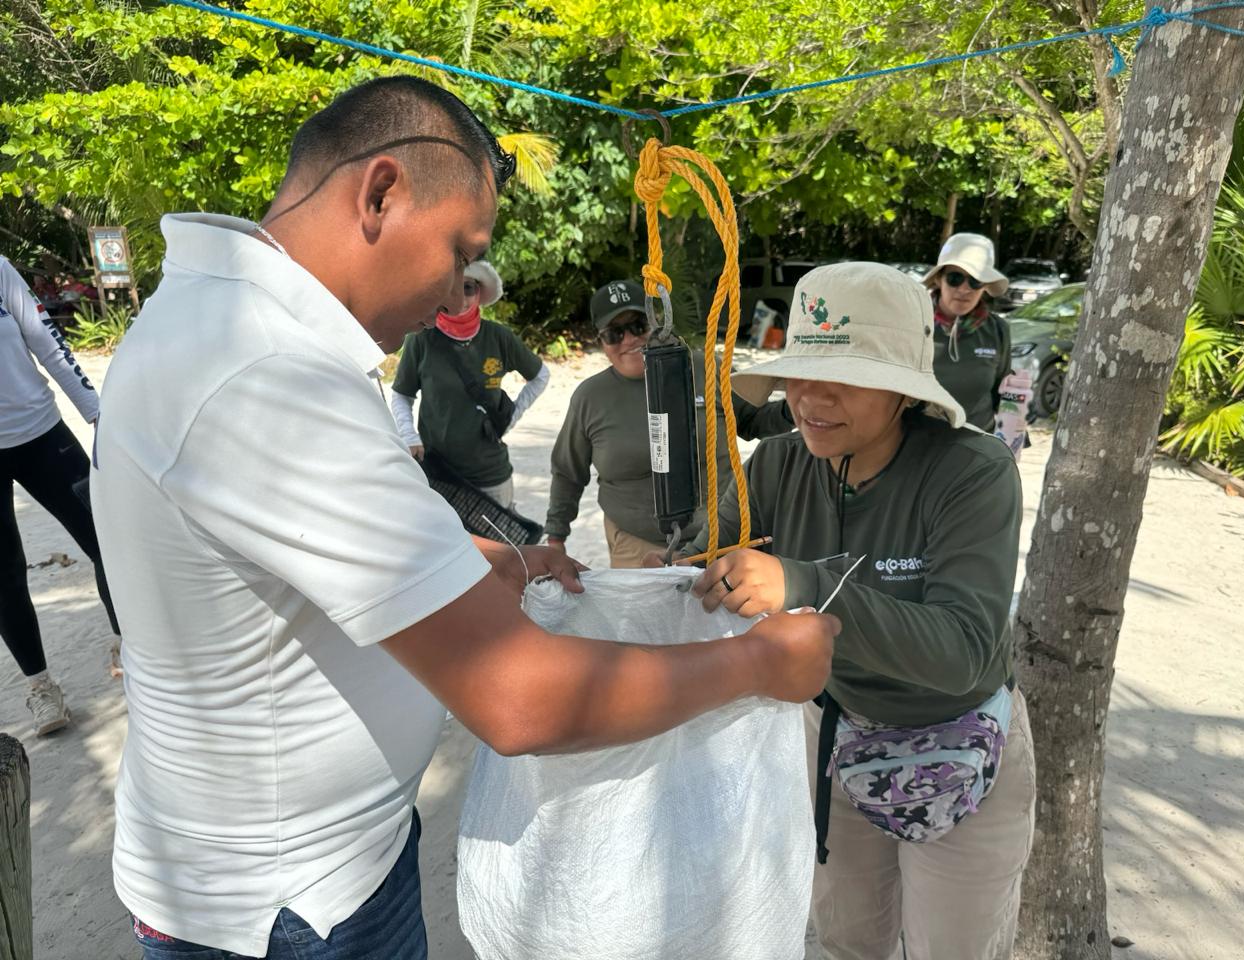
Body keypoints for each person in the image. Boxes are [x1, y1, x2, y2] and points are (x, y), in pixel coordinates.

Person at [92, 75, 837, 960]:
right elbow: (519, 698)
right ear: (380, 194)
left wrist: (485, 562)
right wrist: (758, 663)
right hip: (292, 907)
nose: (458, 289)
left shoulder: (218, 324)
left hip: (303, 866)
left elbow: (292, 563)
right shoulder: (265, 378)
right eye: (460, 251)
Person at [681, 263, 1035, 960]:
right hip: (836, 738)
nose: (811, 398)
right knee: (846, 940)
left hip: (962, 741)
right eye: (800, 374)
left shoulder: (973, 472)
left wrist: (805, 583)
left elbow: (964, 649)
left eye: (845, 376)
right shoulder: (778, 465)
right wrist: (637, 582)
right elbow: (701, 560)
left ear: (904, 389)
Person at [545, 279, 794, 567]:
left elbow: (754, 420)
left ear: (656, 323)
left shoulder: (705, 368)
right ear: (601, 342)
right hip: (638, 545)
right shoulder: (590, 397)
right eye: (614, 333)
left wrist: (796, 406)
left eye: (638, 325)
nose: (629, 339)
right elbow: (568, 472)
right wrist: (556, 538)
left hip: (721, 536)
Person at [0, 254, 121, 737]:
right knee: (4, 575)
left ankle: (131, 647)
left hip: (42, 434)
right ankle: (41, 687)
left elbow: (47, 340)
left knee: (106, 536)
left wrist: (97, 413)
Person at [390, 259, 547, 508]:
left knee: (499, 535)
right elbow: (402, 394)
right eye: (452, 287)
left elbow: (540, 376)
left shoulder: (499, 337)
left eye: (468, 288)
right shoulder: (422, 338)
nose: (460, 298)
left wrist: (512, 417)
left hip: (490, 475)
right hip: (438, 474)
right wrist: (409, 435)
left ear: (480, 293)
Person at [921, 232, 1012, 432]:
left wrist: (1012, 437)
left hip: (978, 444)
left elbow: (1005, 394)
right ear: (939, 279)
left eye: (975, 281)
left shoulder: (998, 330)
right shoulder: (915, 323)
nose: (964, 289)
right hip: (919, 442)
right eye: (955, 278)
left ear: (985, 286)